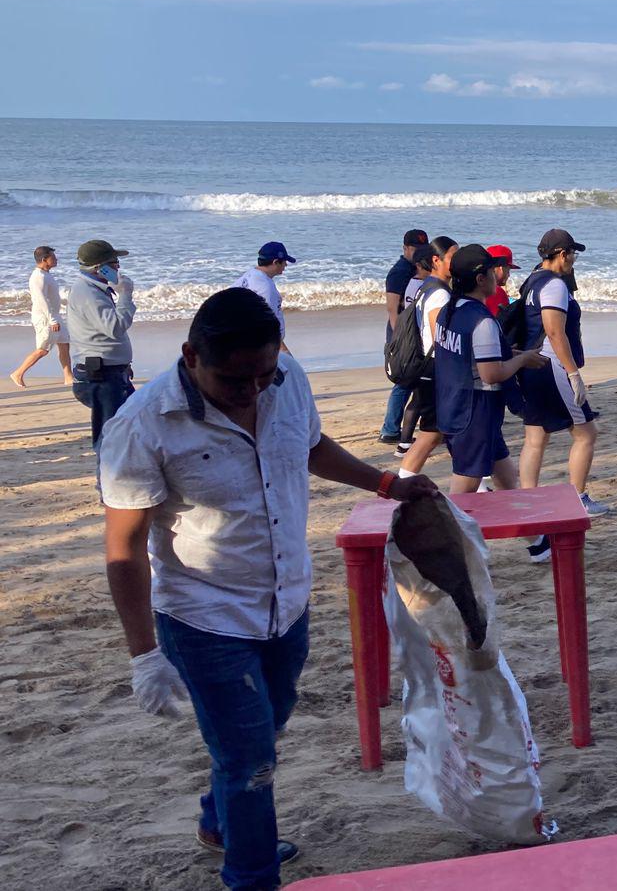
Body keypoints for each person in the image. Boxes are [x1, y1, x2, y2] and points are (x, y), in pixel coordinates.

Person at [98, 287, 439, 890]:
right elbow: (123, 549)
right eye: (236, 380)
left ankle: (218, 821)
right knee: (252, 759)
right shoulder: (142, 426)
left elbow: (310, 448)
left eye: (264, 373)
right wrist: (144, 655)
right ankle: (250, 875)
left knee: (267, 723)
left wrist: (387, 482)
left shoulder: (284, 378)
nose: (254, 390)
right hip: (204, 615)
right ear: (191, 357)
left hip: (287, 600)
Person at [434, 245, 546, 493]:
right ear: (480, 279)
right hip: (475, 412)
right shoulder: (482, 321)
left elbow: (467, 356)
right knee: (463, 491)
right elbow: (491, 374)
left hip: (451, 405)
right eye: (492, 270)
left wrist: (511, 354)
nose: (498, 274)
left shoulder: (449, 311)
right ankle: (450, 532)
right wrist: (523, 359)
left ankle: (532, 533)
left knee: (507, 480)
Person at [520, 228, 609, 537]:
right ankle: (579, 498)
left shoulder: (533, 279)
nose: (574, 259)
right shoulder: (554, 286)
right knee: (586, 433)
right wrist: (573, 373)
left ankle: (528, 500)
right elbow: (555, 333)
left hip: (532, 364)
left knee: (536, 437)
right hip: (552, 366)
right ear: (561, 254)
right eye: (573, 253)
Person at [66, 239, 137, 449]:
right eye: (114, 264)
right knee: (110, 438)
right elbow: (115, 327)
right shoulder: (88, 293)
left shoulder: (95, 288)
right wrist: (125, 295)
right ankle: (105, 480)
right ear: (100, 269)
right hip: (101, 376)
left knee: (132, 422)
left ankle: (115, 476)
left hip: (110, 371)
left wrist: (123, 364)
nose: (119, 268)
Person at [395, 237, 458, 474]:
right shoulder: (440, 294)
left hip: (427, 368)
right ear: (436, 260)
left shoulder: (427, 286)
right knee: (434, 433)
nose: (458, 261)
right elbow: (440, 337)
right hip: (435, 369)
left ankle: (478, 482)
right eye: (453, 256)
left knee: (438, 432)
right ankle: (403, 480)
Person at [380, 229, 429, 444]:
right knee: (403, 382)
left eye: (422, 250)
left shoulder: (418, 269)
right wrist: (400, 342)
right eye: (415, 249)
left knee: (413, 382)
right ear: (405, 248)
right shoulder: (400, 272)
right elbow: (392, 309)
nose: (418, 253)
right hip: (402, 336)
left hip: (413, 333)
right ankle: (390, 429)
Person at [9, 246, 71, 388]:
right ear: (44, 260)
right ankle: (18, 373)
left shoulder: (46, 274)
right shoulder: (38, 277)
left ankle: (68, 377)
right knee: (43, 349)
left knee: (64, 343)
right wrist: (52, 320)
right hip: (45, 318)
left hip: (54, 315)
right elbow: (40, 300)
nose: (56, 259)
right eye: (53, 257)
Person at [235, 242, 294, 352]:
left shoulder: (249, 276)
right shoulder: (265, 287)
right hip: (260, 346)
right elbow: (267, 325)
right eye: (284, 261)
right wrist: (285, 353)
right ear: (275, 262)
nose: (286, 265)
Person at [485, 244, 520, 317]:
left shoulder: (477, 287)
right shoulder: (496, 292)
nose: (509, 275)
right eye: (508, 269)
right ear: (501, 268)